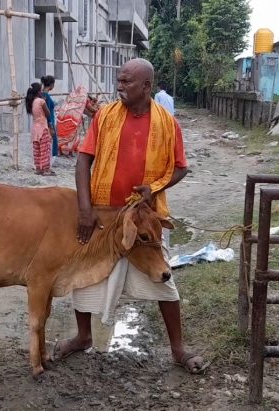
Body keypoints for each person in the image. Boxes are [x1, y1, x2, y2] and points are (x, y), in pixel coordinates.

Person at [52, 58, 206, 373]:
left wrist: (155, 187)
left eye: (127, 82)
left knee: (163, 278)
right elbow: (83, 161)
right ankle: (83, 337)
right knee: (85, 274)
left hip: (146, 217)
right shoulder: (105, 116)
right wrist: (85, 209)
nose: (119, 86)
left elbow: (180, 168)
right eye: (119, 80)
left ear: (146, 86)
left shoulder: (168, 123)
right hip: (103, 216)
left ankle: (178, 349)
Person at [25, 82, 56, 176]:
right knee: (45, 149)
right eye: (41, 90)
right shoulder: (41, 101)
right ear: (38, 91)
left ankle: (38, 169)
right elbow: (48, 114)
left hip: (35, 129)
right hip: (43, 128)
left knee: (37, 150)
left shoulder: (32, 102)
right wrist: (44, 101)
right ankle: (46, 170)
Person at [41, 75, 59, 160]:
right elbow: (47, 112)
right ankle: (49, 160)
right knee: (52, 141)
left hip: (49, 121)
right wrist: (50, 126)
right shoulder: (45, 95)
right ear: (51, 84)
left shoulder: (43, 94)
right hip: (49, 122)